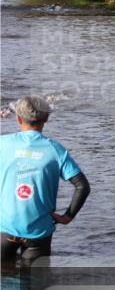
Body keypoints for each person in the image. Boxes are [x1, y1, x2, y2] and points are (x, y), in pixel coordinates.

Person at [1, 97, 90, 268]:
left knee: (3, 277)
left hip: (4, 229)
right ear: (46, 118)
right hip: (39, 232)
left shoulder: (2, 144)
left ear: (18, 118)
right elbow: (82, 186)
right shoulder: (56, 150)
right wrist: (67, 217)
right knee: (36, 281)